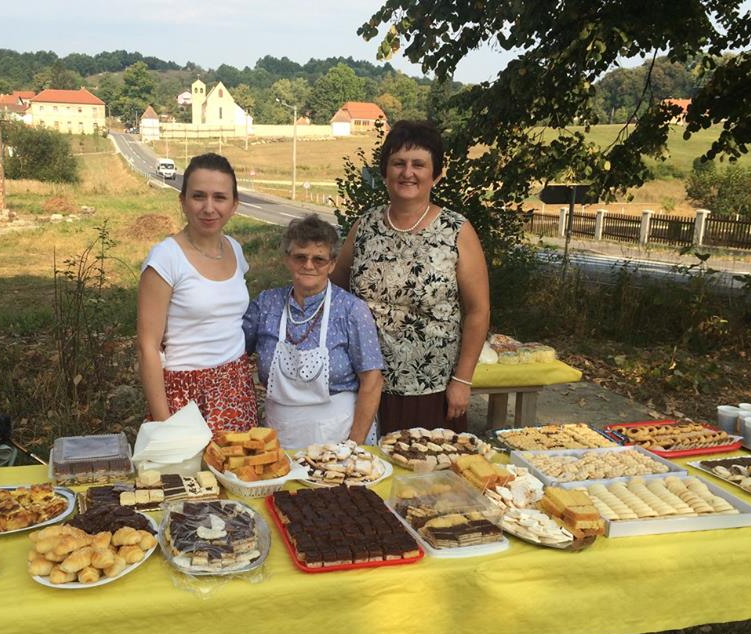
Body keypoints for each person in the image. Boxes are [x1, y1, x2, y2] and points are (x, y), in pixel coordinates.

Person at [332, 120, 490, 433]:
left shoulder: (456, 231)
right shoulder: (365, 226)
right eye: (398, 163)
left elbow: (478, 311)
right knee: (363, 474)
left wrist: (462, 379)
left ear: (437, 175)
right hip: (365, 382)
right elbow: (335, 288)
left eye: (418, 164)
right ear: (385, 172)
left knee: (428, 476)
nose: (407, 173)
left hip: (431, 388)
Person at [136, 153, 259, 433]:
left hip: (235, 387)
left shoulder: (235, 250)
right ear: (182, 200)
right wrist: (164, 425)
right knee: (191, 477)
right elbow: (147, 348)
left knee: (236, 473)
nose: (208, 207)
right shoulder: (165, 259)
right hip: (185, 394)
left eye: (219, 197)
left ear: (234, 205)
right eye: (198, 196)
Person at [243, 215, 384, 448]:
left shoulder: (351, 310)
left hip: (340, 435)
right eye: (300, 257)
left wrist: (353, 447)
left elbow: (372, 381)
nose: (309, 265)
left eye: (319, 259)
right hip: (278, 436)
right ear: (287, 260)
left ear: (332, 264)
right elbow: (234, 353)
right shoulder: (266, 304)